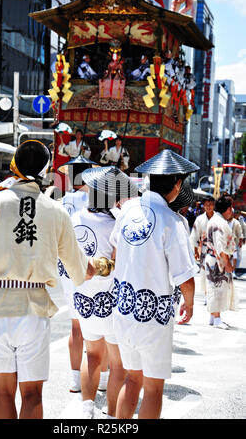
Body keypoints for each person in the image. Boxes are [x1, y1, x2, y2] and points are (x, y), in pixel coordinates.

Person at [0, 140, 114, 419]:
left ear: (13, 166)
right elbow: (80, 271)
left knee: (2, 393)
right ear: (44, 170)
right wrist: (101, 265)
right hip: (34, 309)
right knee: (33, 394)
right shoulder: (56, 210)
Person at [109, 150, 199, 419]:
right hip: (153, 318)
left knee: (131, 381)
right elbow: (185, 276)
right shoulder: (172, 221)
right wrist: (190, 303)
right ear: (177, 185)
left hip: (124, 309)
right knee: (152, 389)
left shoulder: (127, 212)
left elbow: (115, 252)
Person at [71, 166, 139, 419]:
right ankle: (111, 415)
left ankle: (87, 407)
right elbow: (121, 259)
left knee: (92, 356)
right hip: (110, 300)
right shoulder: (118, 221)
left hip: (83, 296)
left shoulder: (75, 218)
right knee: (117, 363)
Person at [57, 155, 109, 394]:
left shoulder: (60, 199)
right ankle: (102, 377)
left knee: (76, 325)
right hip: (94, 266)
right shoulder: (90, 199)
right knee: (100, 324)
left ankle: (75, 379)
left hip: (66, 267)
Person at [205, 195, 237, 329]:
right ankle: (217, 318)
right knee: (217, 288)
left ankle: (213, 316)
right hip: (217, 259)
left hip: (213, 258)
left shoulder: (215, 220)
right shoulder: (219, 222)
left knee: (214, 288)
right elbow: (219, 245)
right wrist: (226, 262)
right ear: (228, 209)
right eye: (231, 208)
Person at [190, 197, 215, 305]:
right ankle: (206, 295)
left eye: (210, 204)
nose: (208, 206)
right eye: (206, 204)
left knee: (216, 274)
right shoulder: (200, 219)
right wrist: (196, 250)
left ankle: (214, 295)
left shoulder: (219, 218)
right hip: (204, 250)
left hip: (217, 250)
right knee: (205, 273)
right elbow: (194, 236)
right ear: (203, 206)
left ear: (214, 205)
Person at [228, 211, 243, 279]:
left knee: (235, 257)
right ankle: (228, 270)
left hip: (234, 242)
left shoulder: (236, 222)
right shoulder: (224, 221)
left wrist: (240, 240)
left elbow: (240, 232)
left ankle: (233, 271)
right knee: (228, 256)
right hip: (226, 242)